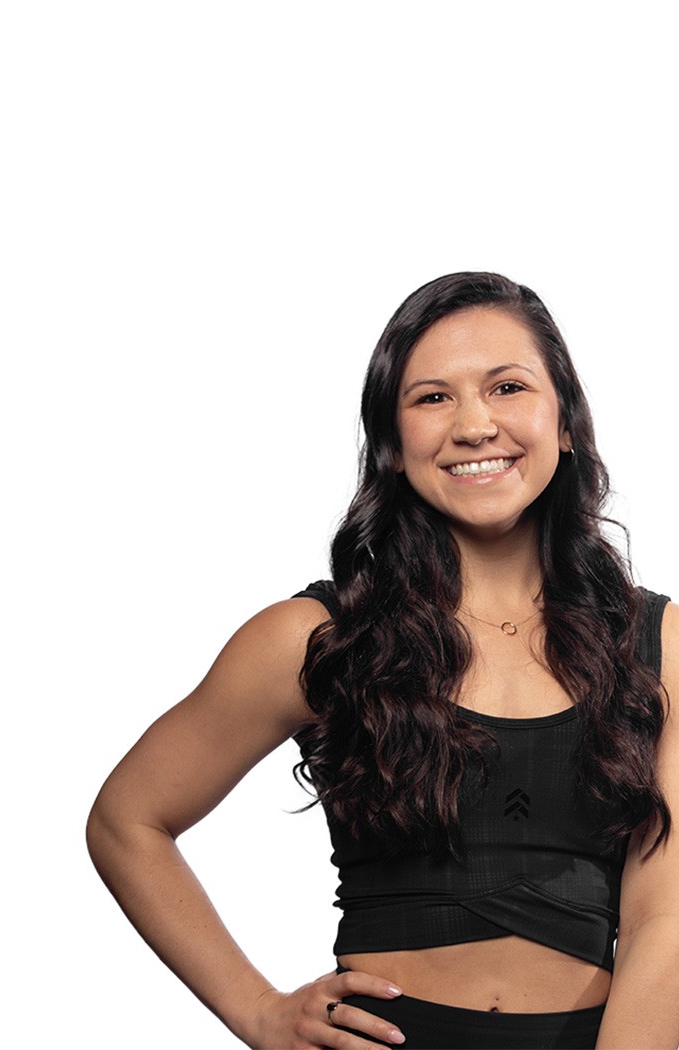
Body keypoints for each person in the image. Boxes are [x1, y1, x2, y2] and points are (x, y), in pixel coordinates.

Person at [86, 272, 679, 1049]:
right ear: (393, 446)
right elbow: (126, 820)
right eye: (432, 398)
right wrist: (257, 1010)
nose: (474, 426)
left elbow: (665, 918)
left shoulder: (657, 645)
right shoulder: (314, 637)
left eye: (506, 387)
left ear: (565, 422)